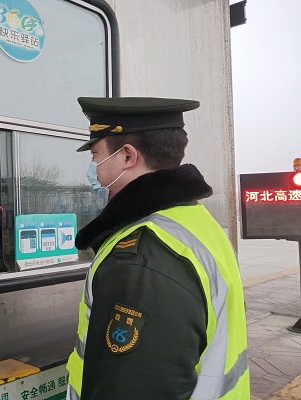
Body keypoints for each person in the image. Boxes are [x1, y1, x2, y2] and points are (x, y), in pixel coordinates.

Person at [66, 97, 249, 399]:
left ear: (127, 156)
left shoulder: (141, 257)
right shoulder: (194, 220)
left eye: (96, 155)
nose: (93, 169)